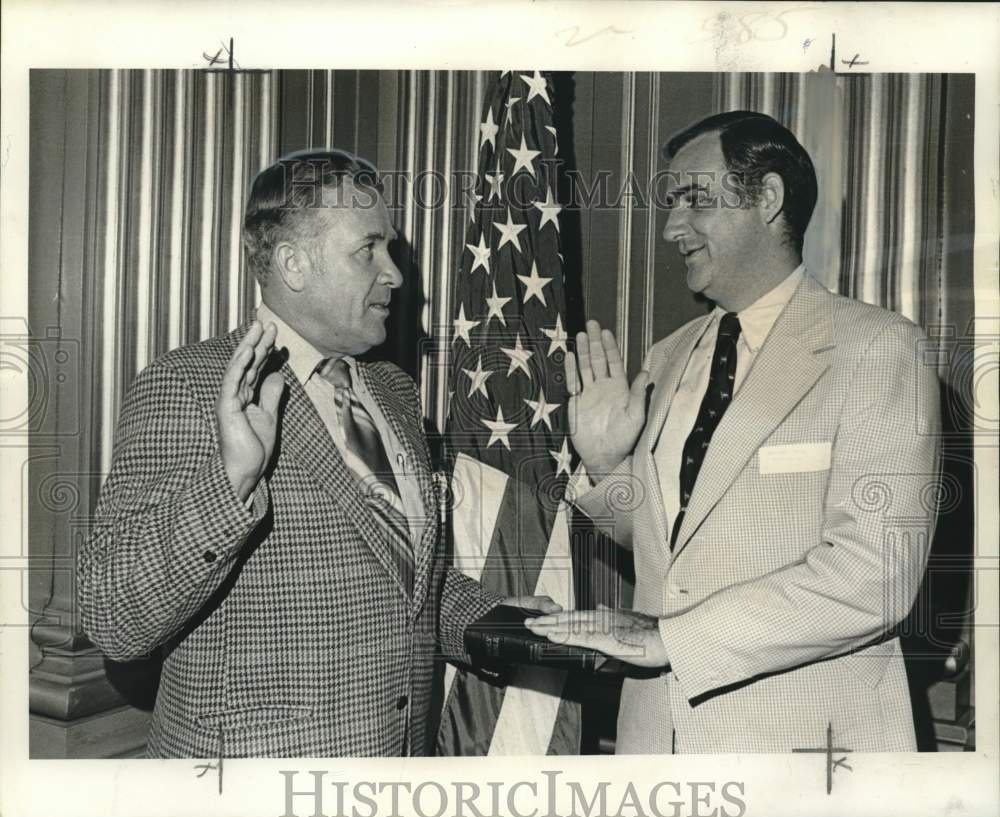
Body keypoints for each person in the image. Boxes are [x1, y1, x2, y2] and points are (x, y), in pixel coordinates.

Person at [78, 149, 553, 758]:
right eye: (369, 249)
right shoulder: (189, 385)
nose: (396, 275)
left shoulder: (393, 392)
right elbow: (114, 617)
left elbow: (403, 582)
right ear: (294, 264)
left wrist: (492, 623)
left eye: (391, 249)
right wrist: (231, 482)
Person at [526, 111, 941, 753]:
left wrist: (671, 639)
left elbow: (875, 574)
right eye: (670, 205)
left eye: (694, 199)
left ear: (768, 199)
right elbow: (664, 543)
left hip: (808, 754)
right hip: (655, 746)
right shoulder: (668, 357)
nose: (670, 227)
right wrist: (609, 468)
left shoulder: (880, 349)